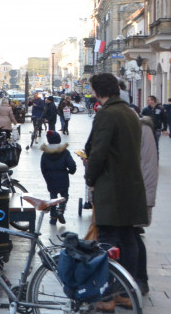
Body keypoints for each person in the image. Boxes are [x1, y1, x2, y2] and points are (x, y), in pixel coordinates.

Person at [83, 72, 148, 298]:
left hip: (111, 187)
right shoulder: (130, 113)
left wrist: (90, 178)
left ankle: (109, 293)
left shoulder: (107, 114)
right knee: (128, 238)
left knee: (108, 239)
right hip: (131, 184)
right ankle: (128, 291)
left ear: (98, 92)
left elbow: (98, 152)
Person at [137, 115, 159, 296]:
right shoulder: (145, 130)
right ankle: (139, 281)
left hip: (139, 194)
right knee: (132, 237)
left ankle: (138, 281)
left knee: (131, 238)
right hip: (142, 193)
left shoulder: (140, 131)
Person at [40, 130, 75, 225]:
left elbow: (43, 168)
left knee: (53, 197)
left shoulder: (45, 153)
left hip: (51, 178)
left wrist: (47, 178)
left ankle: (53, 217)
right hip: (63, 177)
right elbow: (72, 165)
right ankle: (61, 210)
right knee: (64, 196)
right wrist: (71, 171)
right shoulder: (65, 152)